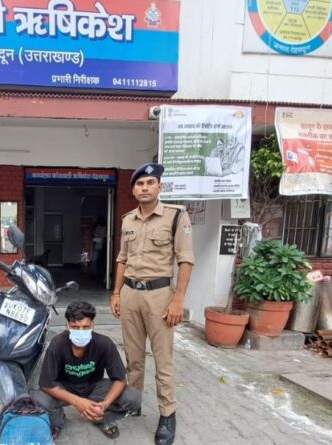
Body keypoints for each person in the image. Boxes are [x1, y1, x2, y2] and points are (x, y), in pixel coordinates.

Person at [109, 163, 194, 445]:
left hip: (160, 295)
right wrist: (116, 293)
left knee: (162, 360)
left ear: (160, 187)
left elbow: (186, 260)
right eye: (139, 184)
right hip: (130, 294)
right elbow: (122, 258)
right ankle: (133, 402)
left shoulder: (176, 216)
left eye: (149, 182)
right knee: (133, 357)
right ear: (133, 190)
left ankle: (168, 414)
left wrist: (178, 299)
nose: (144, 188)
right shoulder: (128, 220)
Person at [32, 301, 141, 440]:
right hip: (65, 387)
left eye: (85, 327)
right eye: (75, 327)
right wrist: (78, 402)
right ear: (67, 326)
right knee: (39, 399)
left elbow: (120, 379)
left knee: (133, 398)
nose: (80, 332)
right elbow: (46, 384)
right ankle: (57, 421)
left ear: (93, 325)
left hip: (94, 386)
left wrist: (105, 403)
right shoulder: (57, 344)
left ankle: (100, 418)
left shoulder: (104, 343)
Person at [91, 215, 107, 282]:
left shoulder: (106, 228)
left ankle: (100, 275)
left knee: (101, 262)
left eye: (101, 221)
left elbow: (106, 237)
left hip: (104, 247)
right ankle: (95, 274)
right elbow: (95, 235)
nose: (100, 222)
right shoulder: (97, 227)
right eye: (99, 221)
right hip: (97, 246)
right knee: (94, 261)